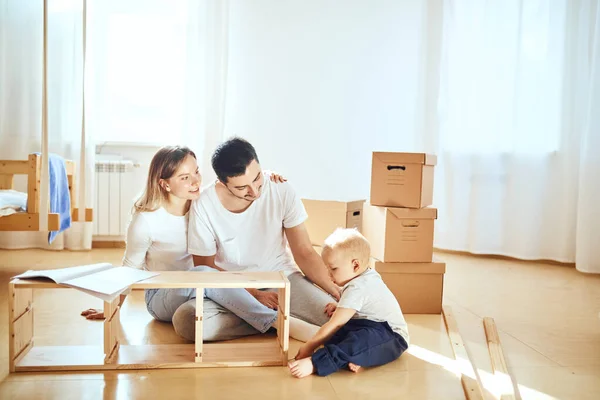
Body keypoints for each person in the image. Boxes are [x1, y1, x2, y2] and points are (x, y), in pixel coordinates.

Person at [81, 145, 286, 341]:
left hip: (204, 289)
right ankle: (278, 323)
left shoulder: (202, 203)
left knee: (204, 280)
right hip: (163, 296)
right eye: (185, 178)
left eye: (196, 172)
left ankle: (260, 321)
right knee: (203, 273)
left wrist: (264, 177)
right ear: (165, 184)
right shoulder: (146, 220)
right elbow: (129, 269)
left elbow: (228, 183)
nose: (196, 181)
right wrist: (111, 308)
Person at [171, 137, 341, 342]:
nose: (254, 191)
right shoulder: (204, 204)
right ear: (223, 183)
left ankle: (269, 321)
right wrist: (252, 294)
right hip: (232, 291)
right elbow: (206, 268)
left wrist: (336, 290)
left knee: (340, 319)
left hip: (282, 280)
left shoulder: (280, 188)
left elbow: (304, 251)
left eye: (257, 178)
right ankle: (278, 320)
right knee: (188, 320)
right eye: (242, 187)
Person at [288, 228, 409, 378]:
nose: (328, 273)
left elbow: (335, 323)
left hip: (391, 336)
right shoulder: (363, 275)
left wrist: (309, 347)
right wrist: (340, 307)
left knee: (352, 338)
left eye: (333, 268)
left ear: (355, 265)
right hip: (368, 325)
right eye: (327, 268)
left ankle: (316, 363)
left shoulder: (359, 287)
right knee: (337, 336)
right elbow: (359, 305)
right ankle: (360, 357)